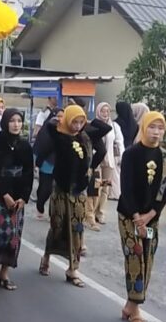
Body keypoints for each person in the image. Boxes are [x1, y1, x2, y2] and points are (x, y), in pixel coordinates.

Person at [36, 105, 111, 287]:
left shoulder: (86, 136)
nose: (77, 126)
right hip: (61, 189)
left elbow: (105, 128)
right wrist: (61, 121)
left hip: (79, 190)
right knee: (57, 226)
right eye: (74, 122)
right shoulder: (59, 136)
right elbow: (47, 129)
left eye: (80, 122)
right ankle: (46, 256)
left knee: (77, 228)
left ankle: (73, 268)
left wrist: (85, 122)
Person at [117, 111, 166, 322]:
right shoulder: (131, 153)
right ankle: (137, 311)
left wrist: (151, 214)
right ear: (144, 127)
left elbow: (165, 188)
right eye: (152, 127)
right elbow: (126, 187)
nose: (156, 132)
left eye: (160, 128)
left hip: (152, 218)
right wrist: (137, 215)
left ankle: (130, 305)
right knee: (135, 258)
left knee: (147, 260)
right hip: (129, 216)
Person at [0, 109, 33, 289]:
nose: (16, 124)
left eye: (19, 121)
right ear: (5, 122)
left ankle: (5, 272)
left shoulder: (26, 146)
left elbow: (28, 174)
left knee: (15, 235)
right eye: (12, 121)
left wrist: (23, 198)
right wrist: (5, 195)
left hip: (19, 197)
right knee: (3, 232)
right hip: (0, 194)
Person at [34, 108, 63, 219]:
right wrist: (37, 162)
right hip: (46, 163)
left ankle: (54, 213)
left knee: (56, 190)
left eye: (63, 116)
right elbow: (40, 146)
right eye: (59, 116)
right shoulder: (46, 129)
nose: (60, 119)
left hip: (60, 164)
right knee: (45, 188)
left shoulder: (65, 130)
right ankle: (40, 205)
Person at [96, 102, 124, 202]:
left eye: (107, 111)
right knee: (96, 187)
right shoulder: (94, 124)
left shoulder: (114, 126)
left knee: (105, 188)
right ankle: (93, 213)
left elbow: (120, 142)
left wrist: (121, 157)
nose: (105, 113)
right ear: (98, 111)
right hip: (97, 162)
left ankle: (101, 214)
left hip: (109, 161)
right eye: (103, 111)